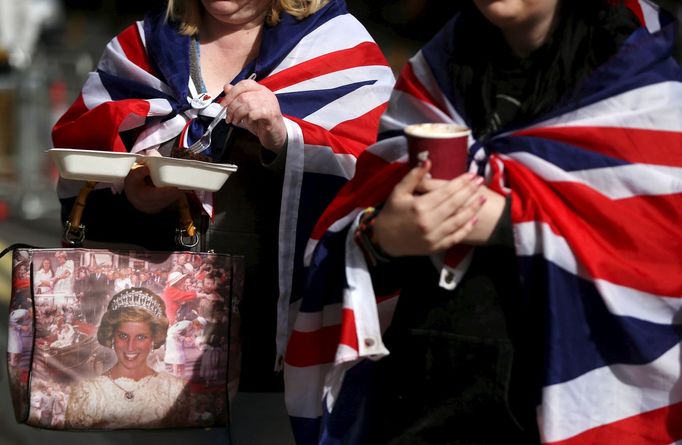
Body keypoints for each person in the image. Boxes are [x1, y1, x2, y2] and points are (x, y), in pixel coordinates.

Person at [285, 0, 682, 444]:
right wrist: (384, 237)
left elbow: (663, 244)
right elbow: (362, 217)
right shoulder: (437, 70)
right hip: (428, 398)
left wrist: (504, 223)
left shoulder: (640, 77)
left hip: (580, 396)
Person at [51, 0, 394, 400]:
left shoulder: (340, 49)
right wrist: (135, 196)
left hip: (275, 357)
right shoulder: (140, 47)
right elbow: (81, 163)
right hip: (146, 367)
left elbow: (377, 180)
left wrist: (283, 138)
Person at [64, 287, 189, 429]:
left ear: (153, 340)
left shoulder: (175, 390)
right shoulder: (85, 392)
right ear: (112, 337)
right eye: (123, 336)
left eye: (141, 337)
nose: (131, 347)